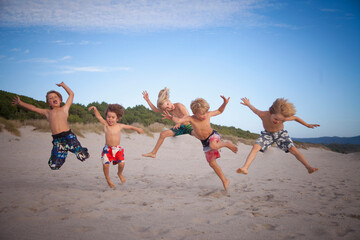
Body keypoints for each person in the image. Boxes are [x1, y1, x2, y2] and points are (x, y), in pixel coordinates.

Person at [163, 96, 238, 191]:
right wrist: (171, 117)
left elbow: (219, 111)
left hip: (213, 136)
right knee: (212, 163)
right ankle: (224, 180)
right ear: (194, 113)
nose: (204, 116)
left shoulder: (208, 114)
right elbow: (179, 120)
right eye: (201, 114)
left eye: (205, 113)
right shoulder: (190, 118)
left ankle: (226, 143)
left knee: (213, 145)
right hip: (204, 142)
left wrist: (225, 103)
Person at [12, 82, 89, 170]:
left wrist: (63, 85)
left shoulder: (65, 108)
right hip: (57, 140)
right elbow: (33, 108)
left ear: (60, 100)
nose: (53, 99)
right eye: (50, 98)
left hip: (69, 136)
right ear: (49, 103)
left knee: (82, 157)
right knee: (53, 166)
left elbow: (71, 94)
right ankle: (66, 149)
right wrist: (20, 103)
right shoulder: (47, 112)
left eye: (55, 97)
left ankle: (82, 151)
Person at [236, 97, 319, 175]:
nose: (278, 122)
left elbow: (295, 118)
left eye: (281, 120)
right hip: (267, 134)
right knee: (255, 147)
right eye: (276, 119)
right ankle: (245, 168)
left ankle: (309, 167)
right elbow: (255, 110)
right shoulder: (263, 114)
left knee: (293, 149)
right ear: (271, 112)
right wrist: (248, 104)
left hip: (281, 134)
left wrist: (307, 125)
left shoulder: (283, 117)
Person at [89, 104, 143, 188]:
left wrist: (137, 129)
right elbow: (99, 117)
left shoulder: (119, 126)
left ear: (117, 118)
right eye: (108, 117)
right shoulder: (105, 124)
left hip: (117, 149)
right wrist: (95, 109)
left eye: (113, 117)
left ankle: (119, 173)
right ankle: (108, 178)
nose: (110, 119)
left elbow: (129, 127)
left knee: (121, 164)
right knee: (106, 165)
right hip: (107, 149)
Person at [141, 87, 198, 158]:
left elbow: (187, 116)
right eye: (166, 108)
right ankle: (153, 153)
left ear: (169, 100)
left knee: (198, 135)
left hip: (189, 126)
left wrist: (179, 122)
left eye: (168, 104)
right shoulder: (168, 110)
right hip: (181, 128)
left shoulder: (179, 106)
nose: (169, 107)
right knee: (162, 134)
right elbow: (155, 109)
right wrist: (147, 100)